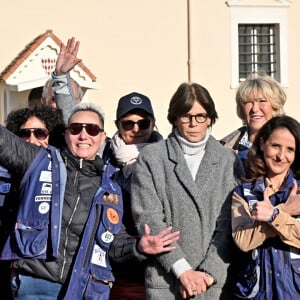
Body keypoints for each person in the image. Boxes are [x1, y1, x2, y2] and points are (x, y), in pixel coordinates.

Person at [130, 82, 244, 299]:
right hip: (167, 279)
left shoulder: (228, 160)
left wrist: (209, 274)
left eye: (200, 116)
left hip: (212, 284)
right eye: (186, 116)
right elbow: (149, 218)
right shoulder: (153, 158)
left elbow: (230, 224)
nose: (194, 123)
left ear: (210, 118)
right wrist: (183, 270)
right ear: (174, 118)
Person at [0, 102, 123, 299]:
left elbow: (116, 240)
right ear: (65, 134)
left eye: (91, 129)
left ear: (102, 137)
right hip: (37, 284)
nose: (83, 136)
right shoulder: (39, 160)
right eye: (75, 129)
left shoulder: (111, 188)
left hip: (84, 289)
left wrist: (140, 247)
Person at [108, 92, 180, 300]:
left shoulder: (171, 158)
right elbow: (78, 132)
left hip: (165, 270)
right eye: (128, 124)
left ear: (154, 123)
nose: (136, 130)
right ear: (118, 125)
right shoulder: (105, 158)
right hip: (123, 271)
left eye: (143, 123)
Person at [0, 105, 66, 300]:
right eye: (24, 134)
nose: (32, 140)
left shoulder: (58, 174)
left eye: (40, 133)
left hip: (29, 269)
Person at [231, 115, 300, 299]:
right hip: (256, 293)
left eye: (290, 149)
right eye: (275, 146)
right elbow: (243, 241)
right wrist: (283, 212)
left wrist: (272, 216)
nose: (281, 156)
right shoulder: (243, 192)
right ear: (262, 144)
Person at [220, 72, 286, 166]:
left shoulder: (292, 144)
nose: (255, 109)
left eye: (262, 101)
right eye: (248, 102)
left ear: (275, 106)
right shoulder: (223, 148)